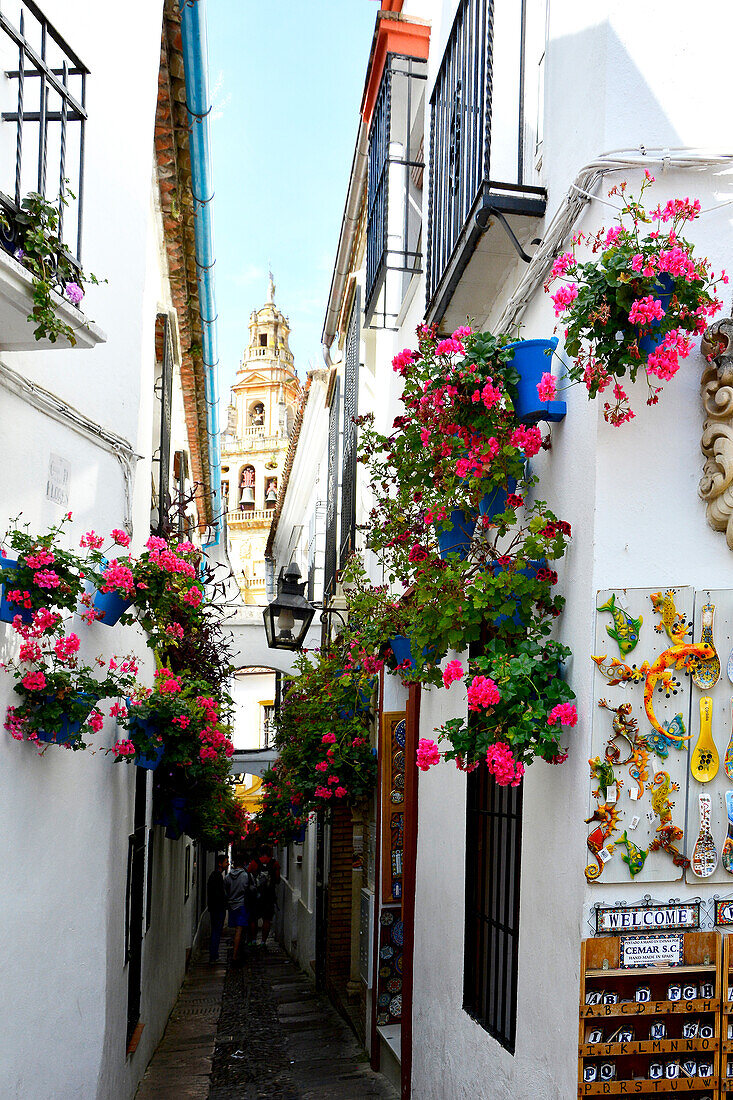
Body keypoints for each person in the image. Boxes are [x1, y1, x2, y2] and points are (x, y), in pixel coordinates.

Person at [224, 848, 251, 965]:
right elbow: (250, 889)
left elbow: (225, 890)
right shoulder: (246, 876)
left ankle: (238, 952)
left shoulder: (228, 877)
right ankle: (235, 956)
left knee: (237, 930)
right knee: (239, 931)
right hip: (242, 905)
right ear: (244, 863)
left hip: (232, 906)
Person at [250, 844, 281, 948]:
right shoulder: (274, 863)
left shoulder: (254, 863)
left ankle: (253, 940)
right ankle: (263, 942)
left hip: (256, 896)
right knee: (267, 919)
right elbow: (277, 879)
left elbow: (249, 877)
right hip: (269, 895)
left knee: (253, 919)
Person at [206, 853, 228, 963]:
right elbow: (219, 894)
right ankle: (213, 955)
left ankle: (214, 954)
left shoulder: (214, 875)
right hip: (218, 909)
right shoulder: (217, 876)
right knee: (216, 931)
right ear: (220, 863)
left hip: (214, 908)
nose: (228, 864)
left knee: (216, 931)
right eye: (226, 862)